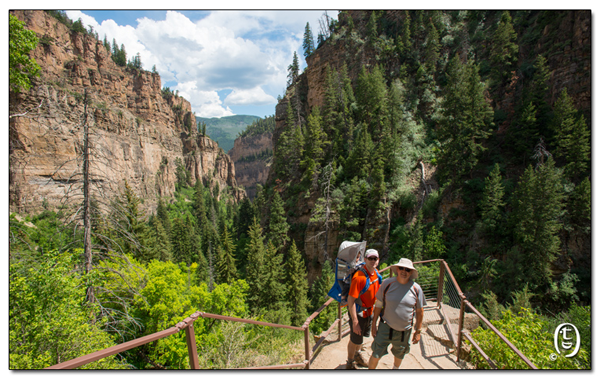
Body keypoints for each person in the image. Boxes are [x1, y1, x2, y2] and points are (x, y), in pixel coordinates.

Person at [368, 258, 426, 369]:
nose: (404, 271)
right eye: (401, 268)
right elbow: (379, 304)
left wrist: (418, 331)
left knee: (400, 353)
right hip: (385, 326)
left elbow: (420, 311)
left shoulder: (416, 288)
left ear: (411, 272)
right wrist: (374, 323)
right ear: (397, 270)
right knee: (376, 353)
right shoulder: (387, 284)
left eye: (407, 270)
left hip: (404, 330)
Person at [346, 249, 381, 369]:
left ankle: (357, 355)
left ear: (378, 260)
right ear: (365, 259)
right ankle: (349, 363)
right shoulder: (359, 277)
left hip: (369, 312)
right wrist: (355, 321)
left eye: (374, 259)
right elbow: (350, 301)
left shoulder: (376, 273)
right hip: (359, 313)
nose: (372, 261)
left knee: (359, 339)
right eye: (370, 258)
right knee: (354, 339)